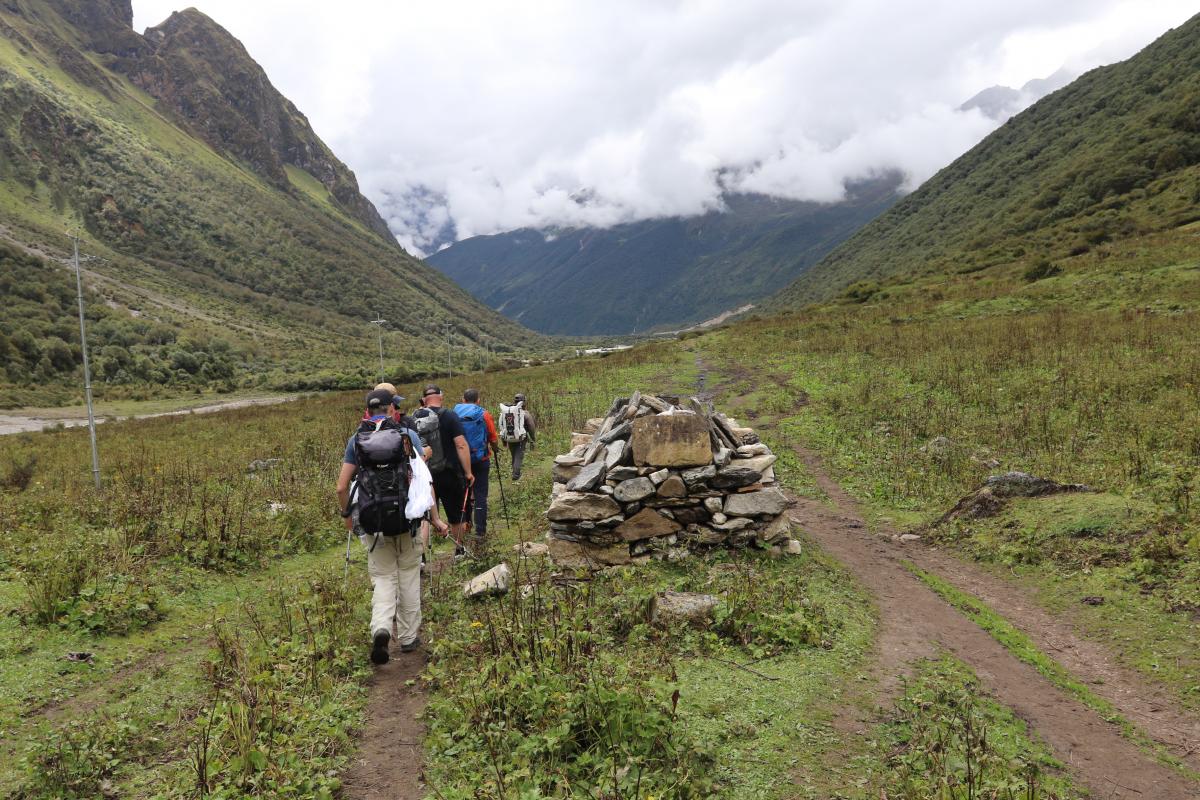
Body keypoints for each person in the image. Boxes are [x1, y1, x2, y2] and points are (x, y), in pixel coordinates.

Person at [336, 388, 446, 664]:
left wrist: (347, 515)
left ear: (368, 411)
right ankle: (408, 638)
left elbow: (341, 487)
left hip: (374, 524)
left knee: (383, 578)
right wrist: (434, 518)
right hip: (406, 522)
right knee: (408, 574)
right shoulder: (406, 436)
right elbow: (424, 482)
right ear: (390, 410)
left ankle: (382, 628)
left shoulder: (355, 440)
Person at [412, 384, 474, 558]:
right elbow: (461, 445)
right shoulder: (449, 416)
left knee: (425, 516)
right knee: (455, 514)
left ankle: (421, 557)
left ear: (423, 399)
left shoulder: (414, 418)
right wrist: (468, 472)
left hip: (424, 475)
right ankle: (459, 551)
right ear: (441, 396)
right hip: (449, 473)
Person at [454, 389, 500, 539]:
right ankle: (480, 531)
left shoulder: (453, 414)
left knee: (463, 493)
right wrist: (495, 449)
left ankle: (465, 525)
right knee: (480, 495)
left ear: (463, 399)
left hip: (460, 460)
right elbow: (493, 437)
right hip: (481, 459)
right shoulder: (484, 414)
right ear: (478, 400)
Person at [499, 393, 536, 481]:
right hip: (520, 439)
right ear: (524, 402)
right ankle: (516, 475)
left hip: (509, 438)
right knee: (519, 456)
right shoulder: (525, 413)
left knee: (514, 455)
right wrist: (533, 439)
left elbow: (502, 427)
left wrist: (504, 441)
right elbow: (531, 426)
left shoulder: (508, 413)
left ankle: (515, 472)